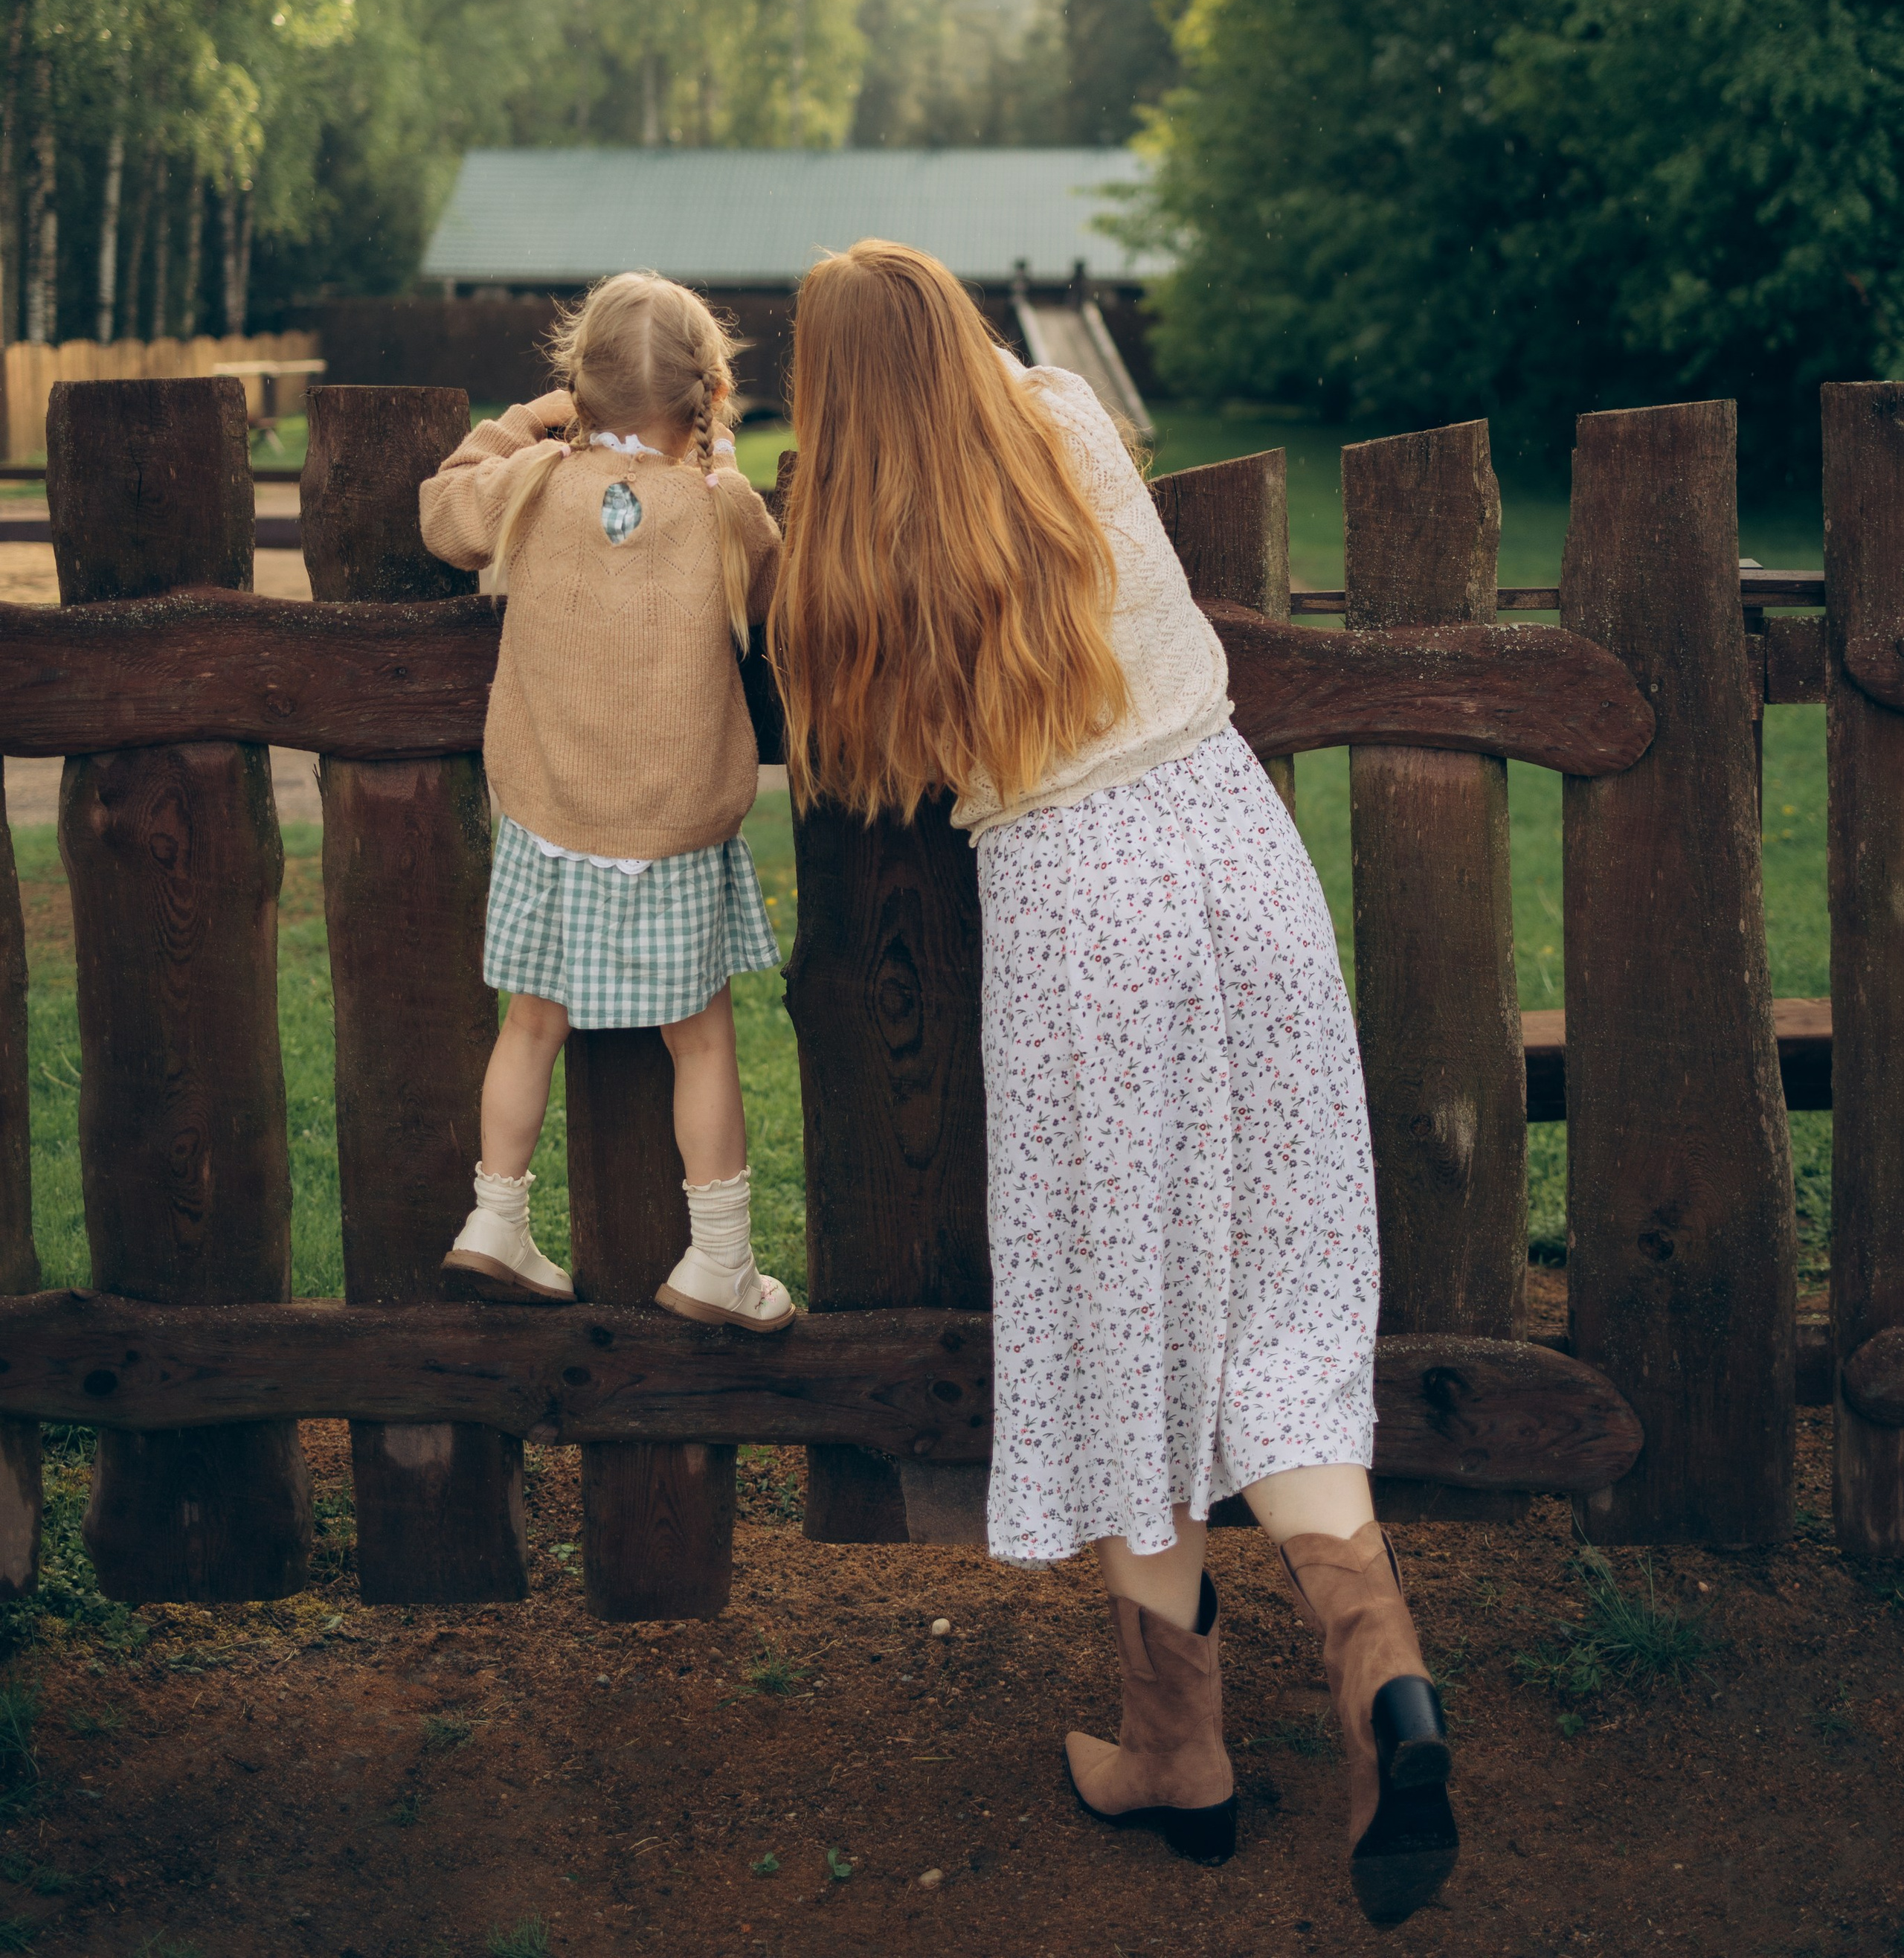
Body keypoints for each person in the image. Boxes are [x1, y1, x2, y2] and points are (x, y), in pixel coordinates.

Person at [767, 240, 1457, 1927]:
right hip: (1239, 855)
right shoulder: (1064, 413)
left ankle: (1179, 1748)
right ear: (959, 330)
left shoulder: (850, 553)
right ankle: (1380, 1672)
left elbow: (853, 762)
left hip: (1086, 921)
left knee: (1128, 1326)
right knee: (1281, 1301)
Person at [418, 270, 794, 1334]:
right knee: (703, 1042)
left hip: (551, 816)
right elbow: (772, 591)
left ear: (572, 389)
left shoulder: (531, 479)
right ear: (711, 393)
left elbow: (441, 511)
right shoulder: (723, 509)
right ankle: (719, 1260)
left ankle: (495, 1217)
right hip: (673, 829)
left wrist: (514, 426)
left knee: (531, 1025)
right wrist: (719, 463)